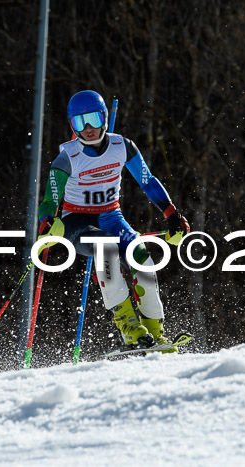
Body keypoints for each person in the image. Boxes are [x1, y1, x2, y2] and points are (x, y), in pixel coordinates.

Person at [37, 90, 190, 350]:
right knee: (105, 248)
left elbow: (148, 181)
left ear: (105, 119)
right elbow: (50, 198)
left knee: (143, 259)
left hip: (111, 217)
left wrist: (171, 214)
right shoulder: (67, 158)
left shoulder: (123, 147)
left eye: (94, 120)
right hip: (77, 222)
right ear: (72, 125)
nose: (88, 129)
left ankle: (155, 332)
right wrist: (47, 221)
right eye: (80, 122)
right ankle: (130, 327)